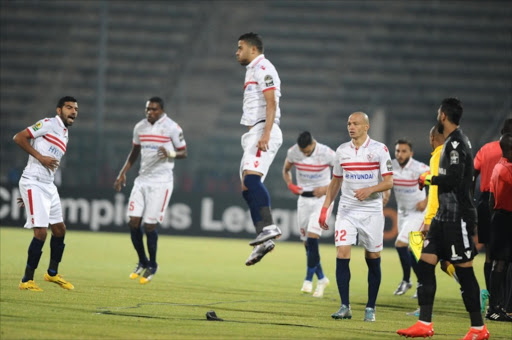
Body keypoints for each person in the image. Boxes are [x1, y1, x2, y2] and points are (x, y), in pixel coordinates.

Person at [397, 98, 489, 340]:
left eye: (439, 113)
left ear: (443, 117)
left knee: (464, 270)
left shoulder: (457, 143)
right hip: (441, 216)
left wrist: (428, 178)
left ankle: (478, 328)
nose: (438, 116)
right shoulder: (451, 142)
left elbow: (456, 179)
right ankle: (424, 323)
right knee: (425, 262)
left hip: (457, 216)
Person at [318, 112, 394, 322]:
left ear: (366, 127)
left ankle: (370, 307)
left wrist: (370, 189)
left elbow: (389, 182)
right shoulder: (342, 151)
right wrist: (325, 208)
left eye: (356, 123)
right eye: (349, 123)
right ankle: (345, 306)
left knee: (373, 257)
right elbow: (335, 182)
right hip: (347, 209)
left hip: (371, 210)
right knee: (342, 252)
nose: (351, 127)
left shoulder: (380, 150)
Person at [114, 97, 187, 284]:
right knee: (133, 222)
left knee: (149, 226)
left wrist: (170, 153)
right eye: (147, 109)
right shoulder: (140, 127)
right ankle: (142, 261)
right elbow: (135, 152)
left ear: (161, 110)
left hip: (161, 182)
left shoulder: (172, 127)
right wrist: (123, 173)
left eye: (154, 109)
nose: (150, 112)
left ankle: (153, 265)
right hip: (142, 180)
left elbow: (183, 152)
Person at [14, 96, 78, 291]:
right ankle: (26, 280)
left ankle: (52, 274)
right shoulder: (49, 124)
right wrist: (40, 157)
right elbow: (19, 137)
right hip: (34, 181)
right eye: (69, 107)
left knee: (59, 229)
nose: (73, 111)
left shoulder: (65, 133)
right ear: (59, 110)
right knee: (41, 232)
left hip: (48, 186)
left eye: (75, 109)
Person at [235, 32, 283, 266]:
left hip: (265, 129)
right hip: (254, 132)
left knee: (252, 180)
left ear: (253, 49)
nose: (237, 52)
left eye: (240, 47)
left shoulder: (264, 67)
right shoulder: (252, 69)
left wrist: (265, 133)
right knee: (246, 188)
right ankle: (263, 239)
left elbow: (271, 102)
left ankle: (270, 226)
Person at [282, 131, 336, 297]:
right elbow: (286, 170)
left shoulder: (326, 153)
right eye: (302, 152)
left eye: (307, 151)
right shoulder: (293, 151)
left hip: (323, 199)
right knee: (307, 243)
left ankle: (307, 279)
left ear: (313, 144)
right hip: (304, 200)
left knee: (313, 238)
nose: (305, 154)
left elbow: (343, 175)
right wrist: (290, 184)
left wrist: (326, 188)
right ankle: (321, 278)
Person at [473, 118, 512, 309]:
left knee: (490, 254)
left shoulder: (486, 149)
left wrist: (470, 199)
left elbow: (472, 173)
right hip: (504, 203)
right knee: (505, 256)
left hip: (486, 201)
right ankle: (503, 301)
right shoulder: (508, 158)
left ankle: (490, 298)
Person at [391, 139, 429, 296]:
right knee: (414, 251)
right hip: (402, 213)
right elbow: (385, 182)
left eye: (404, 151)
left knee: (400, 244)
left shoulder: (419, 168)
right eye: (398, 151)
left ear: (411, 153)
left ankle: (407, 280)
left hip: (418, 213)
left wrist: (426, 201)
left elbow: (437, 184)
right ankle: (421, 284)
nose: (400, 154)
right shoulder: (390, 166)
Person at [486, 132, 512, 322]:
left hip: (499, 217)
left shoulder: (498, 166)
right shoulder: (508, 169)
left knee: (500, 263)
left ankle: (498, 305)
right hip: (506, 218)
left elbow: (491, 196)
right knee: (501, 264)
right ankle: (494, 307)